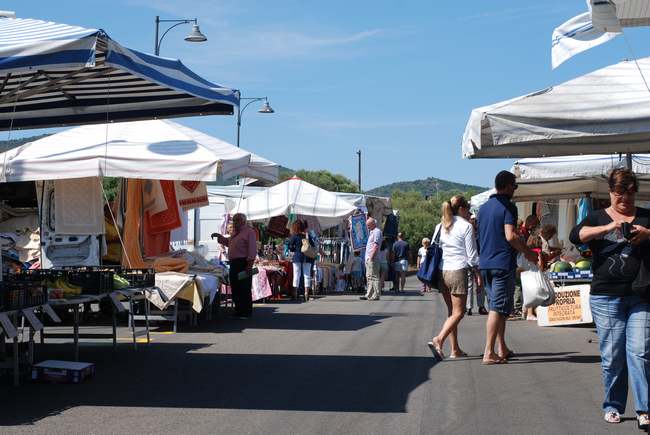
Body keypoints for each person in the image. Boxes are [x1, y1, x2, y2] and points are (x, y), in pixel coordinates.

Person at [569, 168, 649, 429]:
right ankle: (613, 405)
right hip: (606, 295)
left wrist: (647, 235)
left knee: (640, 351)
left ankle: (644, 409)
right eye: (618, 194)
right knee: (613, 355)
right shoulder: (596, 217)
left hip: (641, 294)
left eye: (628, 193)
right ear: (610, 192)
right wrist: (609, 227)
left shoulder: (647, 217)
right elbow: (575, 236)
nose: (624, 199)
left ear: (635, 191)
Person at [478, 171, 538, 365]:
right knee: (497, 308)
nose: (515, 190)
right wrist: (528, 252)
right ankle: (488, 352)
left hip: (485, 263)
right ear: (507, 185)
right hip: (502, 263)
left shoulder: (483, 208)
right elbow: (510, 235)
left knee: (500, 308)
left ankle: (501, 348)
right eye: (515, 186)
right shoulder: (509, 207)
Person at [428, 195, 481, 359]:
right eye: (468, 210)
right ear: (462, 209)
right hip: (458, 271)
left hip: (442, 271)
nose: (469, 214)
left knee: (452, 312)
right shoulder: (466, 226)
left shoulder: (440, 225)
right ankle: (439, 339)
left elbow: (432, 246)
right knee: (459, 312)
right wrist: (478, 274)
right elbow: (471, 255)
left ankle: (455, 349)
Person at [211, 213, 257, 318]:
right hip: (234, 263)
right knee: (235, 287)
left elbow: (252, 249)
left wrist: (249, 264)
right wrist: (220, 237)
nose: (235, 222)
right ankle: (238, 310)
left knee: (244, 288)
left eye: (237, 220)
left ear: (243, 221)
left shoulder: (249, 232)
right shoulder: (235, 232)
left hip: (243, 262)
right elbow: (229, 243)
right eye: (234, 220)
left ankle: (246, 311)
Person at [287, 220, 315, 302]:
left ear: (295, 227)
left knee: (296, 275)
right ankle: (306, 293)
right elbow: (312, 246)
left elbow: (291, 248)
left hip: (297, 257)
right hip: (307, 257)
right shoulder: (307, 236)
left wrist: (296, 248)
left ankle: (295, 293)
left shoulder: (294, 236)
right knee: (307, 275)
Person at [360, 217, 382, 301]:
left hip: (373, 258)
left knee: (374, 276)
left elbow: (376, 245)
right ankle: (368, 294)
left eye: (368, 225)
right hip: (369, 258)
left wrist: (372, 256)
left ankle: (376, 294)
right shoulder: (372, 232)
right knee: (369, 276)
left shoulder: (377, 232)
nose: (367, 227)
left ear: (373, 224)